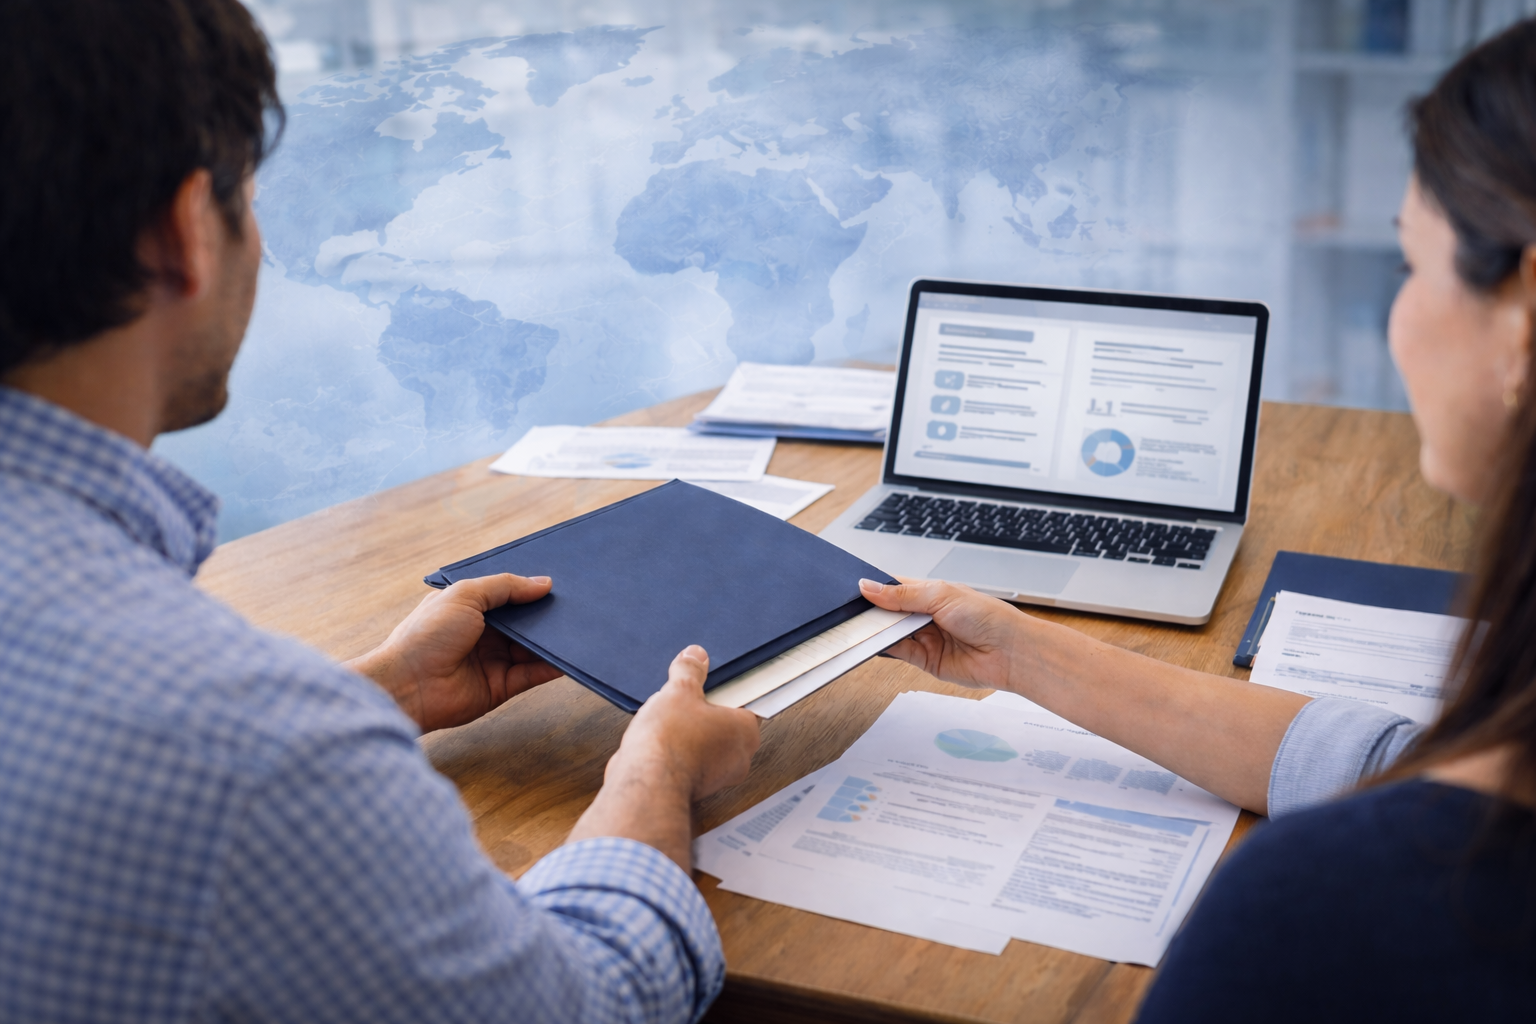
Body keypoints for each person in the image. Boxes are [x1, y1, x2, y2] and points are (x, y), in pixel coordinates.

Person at [0, 3, 759, 1022]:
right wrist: (653, 773)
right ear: (186, 230)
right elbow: (582, 1003)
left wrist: (380, 692)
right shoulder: (247, 751)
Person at [858, 20, 1536, 1019]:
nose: (1400, 316)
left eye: (1412, 266)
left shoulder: (1325, 913)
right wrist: (1019, 652)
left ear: (1522, 316)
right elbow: (1385, 757)